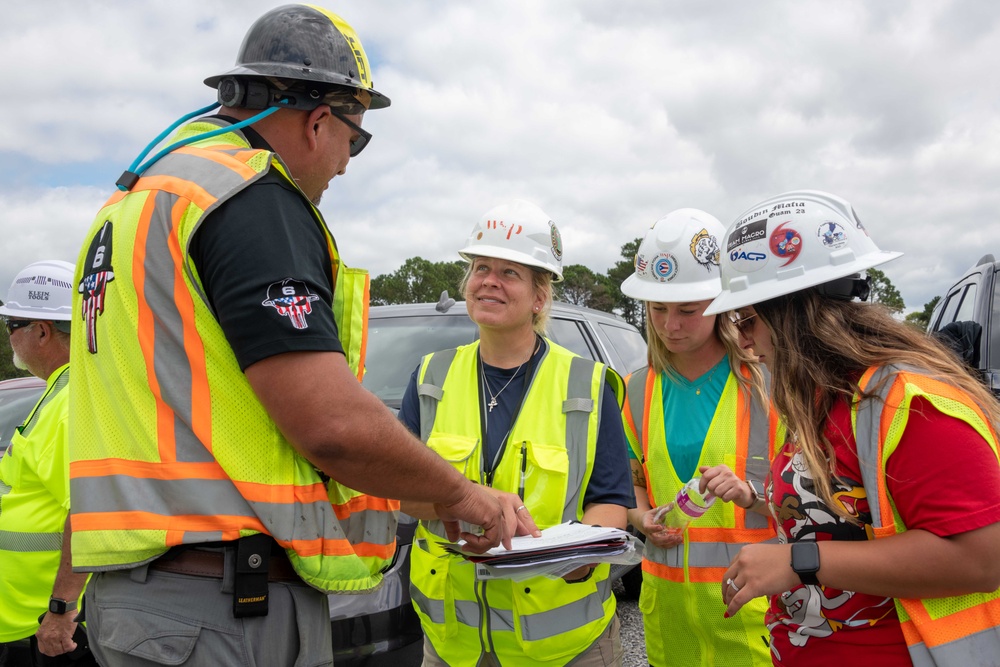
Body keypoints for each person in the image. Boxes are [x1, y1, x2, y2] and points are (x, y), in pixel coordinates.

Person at [67, 7, 534, 666]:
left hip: (143, 604)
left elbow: (239, 435)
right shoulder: (250, 196)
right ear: (320, 122)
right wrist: (463, 493)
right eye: (356, 140)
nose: (345, 166)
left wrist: (430, 501)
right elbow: (331, 425)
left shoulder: (134, 206)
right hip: (223, 613)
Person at [708, 190, 1000, 666]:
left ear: (795, 312)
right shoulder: (819, 397)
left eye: (746, 320)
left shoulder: (914, 403)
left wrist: (800, 562)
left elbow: (981, 559)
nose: (742, 341)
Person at [397, 199, 635, 667]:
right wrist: (463, 499)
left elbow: (611, 501)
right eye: (481, 267)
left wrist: (579, 558)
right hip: (451, 645)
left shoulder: (587, 384)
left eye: (510, 273)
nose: (489, 280)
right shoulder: (431, 376)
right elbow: (397, 489)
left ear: (540, 297)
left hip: (563, 646)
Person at [618, 210, 780, 666]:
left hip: (755, 617)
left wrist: (751, 495)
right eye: (658, 309)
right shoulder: (635, 389)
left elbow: (817, 498)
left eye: (688, 310)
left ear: (719, 302)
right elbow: (630, 482)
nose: (671, 325)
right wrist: (641, 516)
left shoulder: (768, 384)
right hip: (668, 623)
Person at [0, 260, 95, 666]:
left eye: (11, 326)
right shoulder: (62, 390)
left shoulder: (70, 403)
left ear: (41, 330)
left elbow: (88, 509)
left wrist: (60, 611)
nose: (9, 338)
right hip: (30, 620)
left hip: (45, 629)